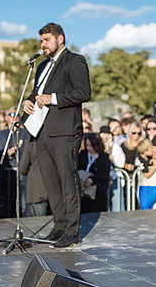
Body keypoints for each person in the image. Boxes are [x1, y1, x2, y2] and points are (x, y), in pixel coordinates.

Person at [22, 22, 91, 248]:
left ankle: (72, 232)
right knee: (51, 183)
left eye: (47, 40)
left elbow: (84, 92)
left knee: (67, 182)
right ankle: (59, 226)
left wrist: (52, 98)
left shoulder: (75, 60)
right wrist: (28, 103)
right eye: (41, 41)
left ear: (60, 39)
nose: (43, 45)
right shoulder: (41, 67)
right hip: (42, 134)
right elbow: (35, 93)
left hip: (65, 133)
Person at [78, 133, 111, 213]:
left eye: (91, 145)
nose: (88, 148)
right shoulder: (82, 155)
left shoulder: (104, 157)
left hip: (98, 194)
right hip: (84, 193)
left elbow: (104, 175)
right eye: (87, 145)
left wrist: (92, 180)